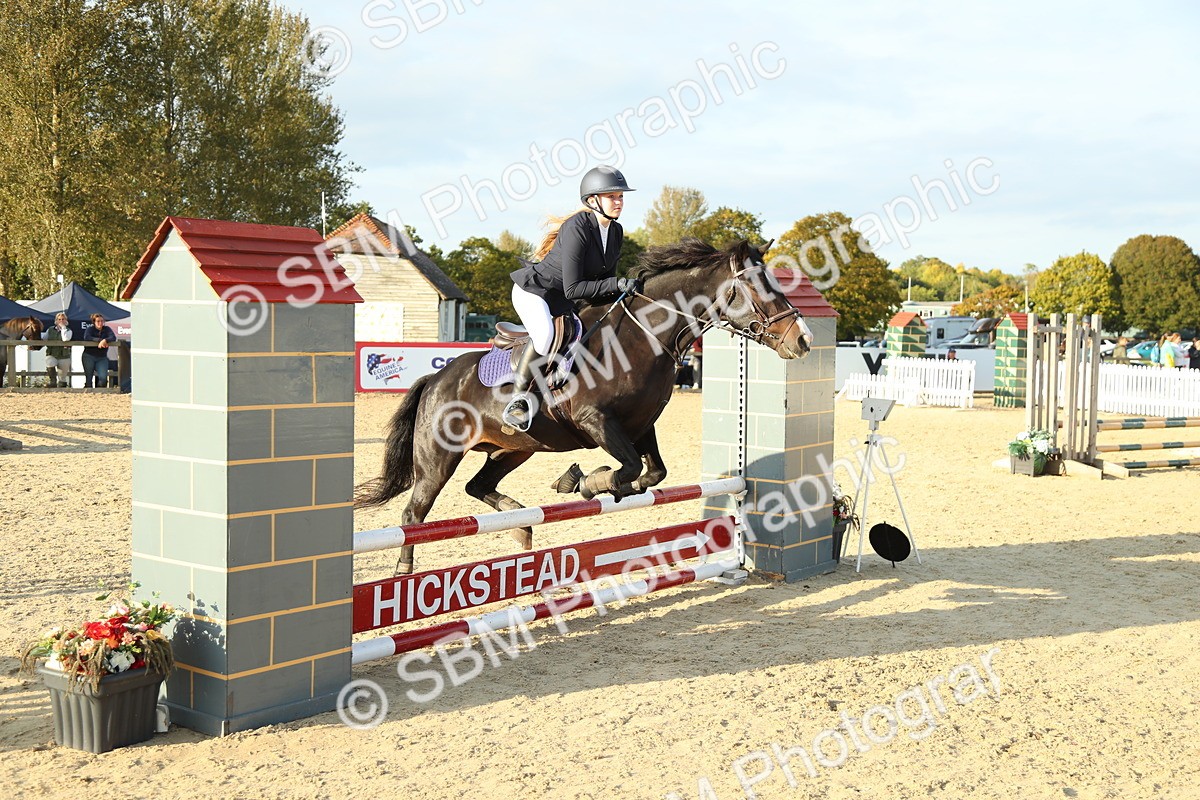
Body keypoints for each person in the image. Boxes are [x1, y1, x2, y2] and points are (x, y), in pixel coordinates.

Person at [503, 165, 637, 430]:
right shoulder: (577, 227)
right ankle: (518, 400)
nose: (619, 202)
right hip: (536, 292)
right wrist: (616, 283)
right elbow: (574, 288)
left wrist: (623, 292)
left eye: (621, 196)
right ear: (592, 200)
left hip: (564, 300)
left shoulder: (616, 232)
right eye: (612, 196)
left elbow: (603, 282)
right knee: (544, 335)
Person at [81, 313, 116, 389]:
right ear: (94, 322)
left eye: (102, 321)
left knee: (103, 378)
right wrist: (100, 341)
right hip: (89, 356)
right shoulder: (90, 329)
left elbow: (113, 337)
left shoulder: (107, 329)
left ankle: (99, 391)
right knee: (89, 378)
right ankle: (88, 393)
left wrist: (105, 340)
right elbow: (87, 337)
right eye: (98, 321)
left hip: (102, 357)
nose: (100, 323)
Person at [41, 312, 73, 387]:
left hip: (64, 355)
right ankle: (53, 382)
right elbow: (44, 339)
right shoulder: (50, 329)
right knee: (49, 362)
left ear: (66, 320)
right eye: (59, 319)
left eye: (63, 319)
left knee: (62, 377)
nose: (61, 321)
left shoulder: (69, 331)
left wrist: (63, 328)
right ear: (56, 321)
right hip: (52, 353)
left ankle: (62, 388)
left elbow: (65, 339)